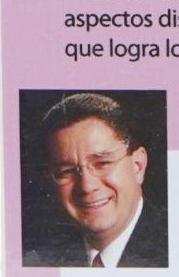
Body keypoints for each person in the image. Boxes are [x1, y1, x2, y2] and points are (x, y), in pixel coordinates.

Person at [25, 92, 167, 267]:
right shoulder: (37, 258)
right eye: (67, 171)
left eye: (102, 163)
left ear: (138, 166)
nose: (87, 186)